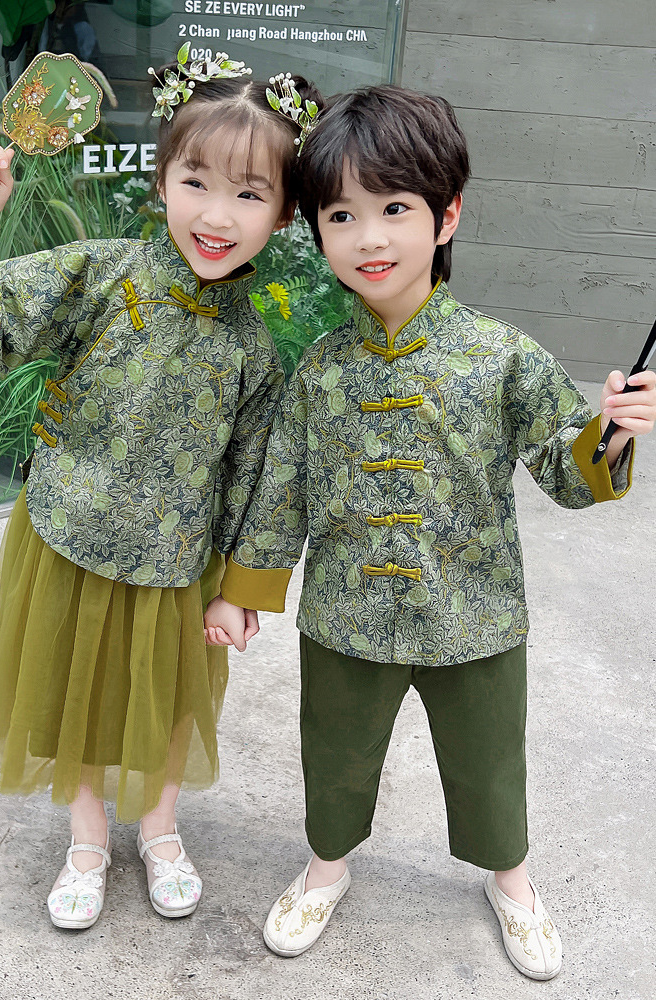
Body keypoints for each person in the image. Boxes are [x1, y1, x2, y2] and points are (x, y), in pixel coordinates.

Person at [203, 86, 656, 977]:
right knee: (334, 757)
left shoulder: (501, 356)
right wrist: (243, 594)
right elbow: (282, 488)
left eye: (395, 209)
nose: (369, 238)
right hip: (346, 617)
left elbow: (567, 472)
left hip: (474, 616)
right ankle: (325, 868)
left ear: (447, 216)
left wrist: (612, 432)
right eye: (342, 215)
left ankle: (511, 881)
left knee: (489, 762)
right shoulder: (319, 370)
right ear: (318, 232)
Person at [0, 53, 320, 930]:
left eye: (250, 194)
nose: (217, 215)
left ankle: (161, 827)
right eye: (195, 182)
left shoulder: (254, 349)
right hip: (66, 536)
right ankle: (88, 835)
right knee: (76, 690)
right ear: (161, 178)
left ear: (285, 212)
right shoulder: (99, 276)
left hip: (179, 563)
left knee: (169, 700)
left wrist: (240, 591)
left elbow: (257, 479)